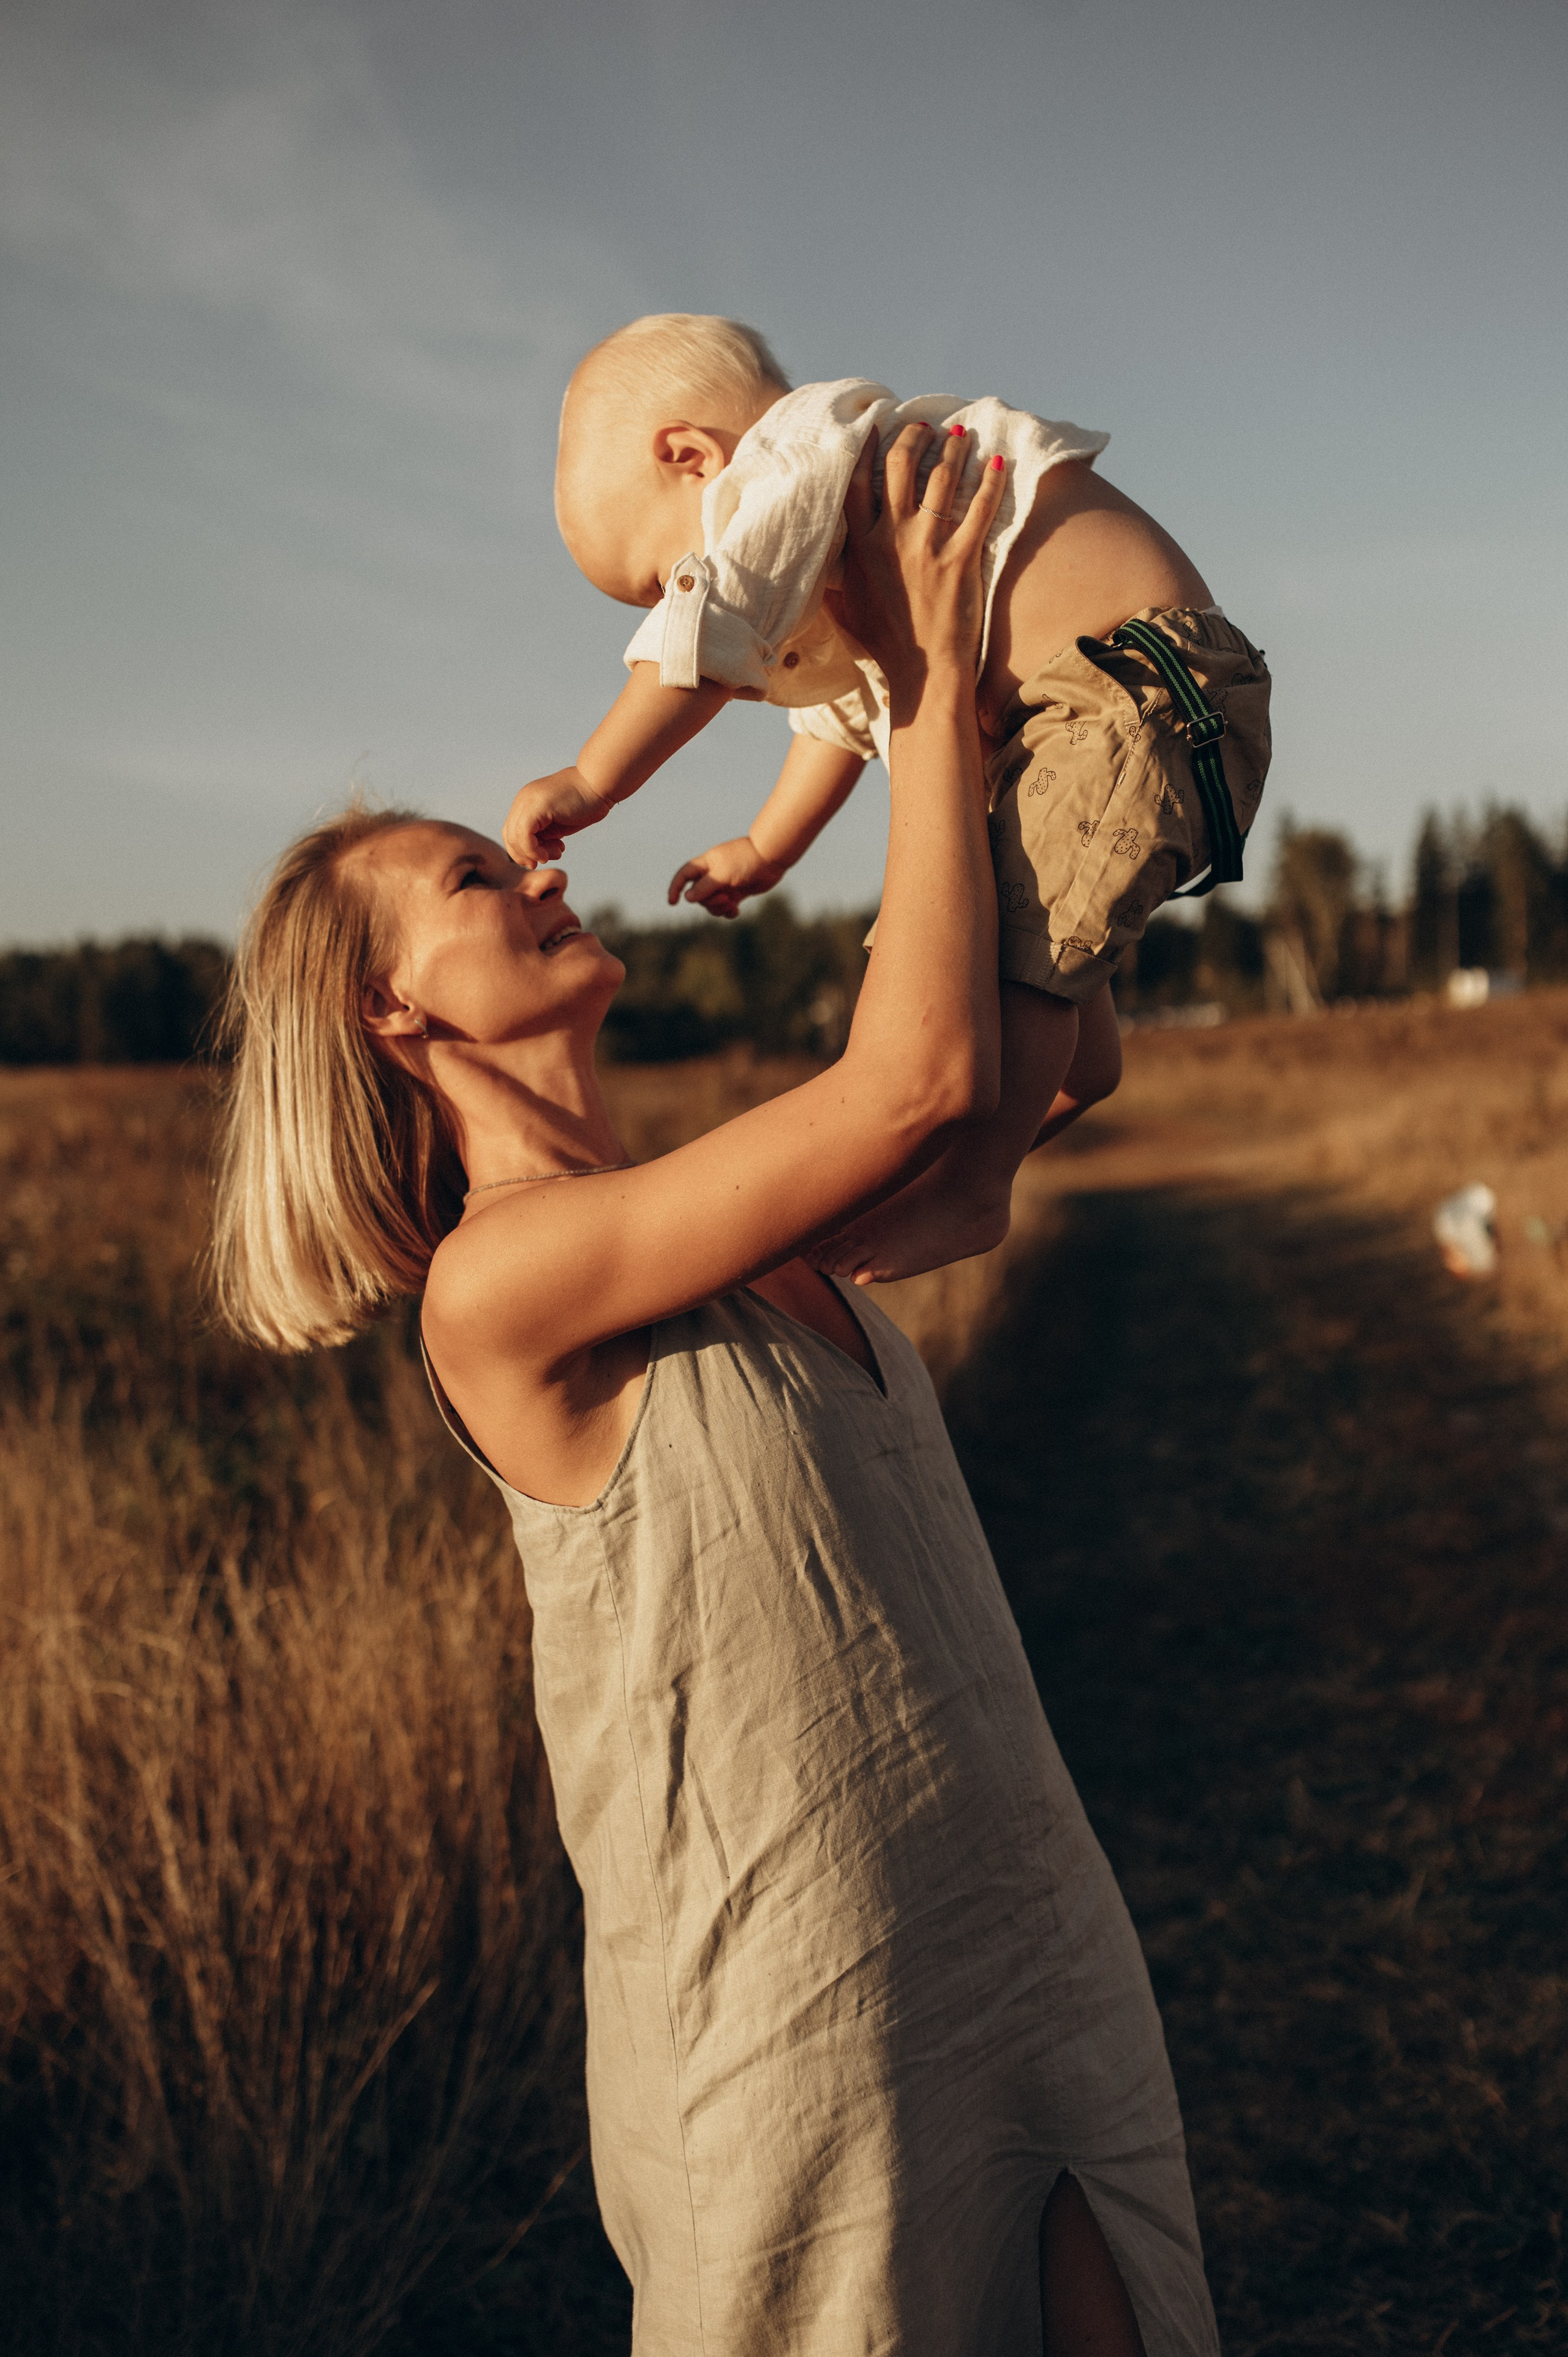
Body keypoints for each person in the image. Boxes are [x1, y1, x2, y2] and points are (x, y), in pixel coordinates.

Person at [213, 423, 1219, 2357]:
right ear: (392, 1013)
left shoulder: (727, 1226)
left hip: (1028, 1931)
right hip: (797, 2029)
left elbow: (1034, 1086)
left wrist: (1052, 750)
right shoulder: (501, 1294)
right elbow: (910, 1088)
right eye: (462, 878)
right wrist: (912, 680)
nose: (528, 865)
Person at [502, 312, 1272, 1284]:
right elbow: (844, 721)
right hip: (1091, 717)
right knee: (993, 926)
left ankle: (976, 1185)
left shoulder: (797, 459)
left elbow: (702, 640)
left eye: (662, 581)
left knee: (1015, 958)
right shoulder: (841, 542)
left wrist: (592, 777)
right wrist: (766, 849)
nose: (678, 604)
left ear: (691, 457)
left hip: (1139, 682)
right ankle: (1076, 1068)